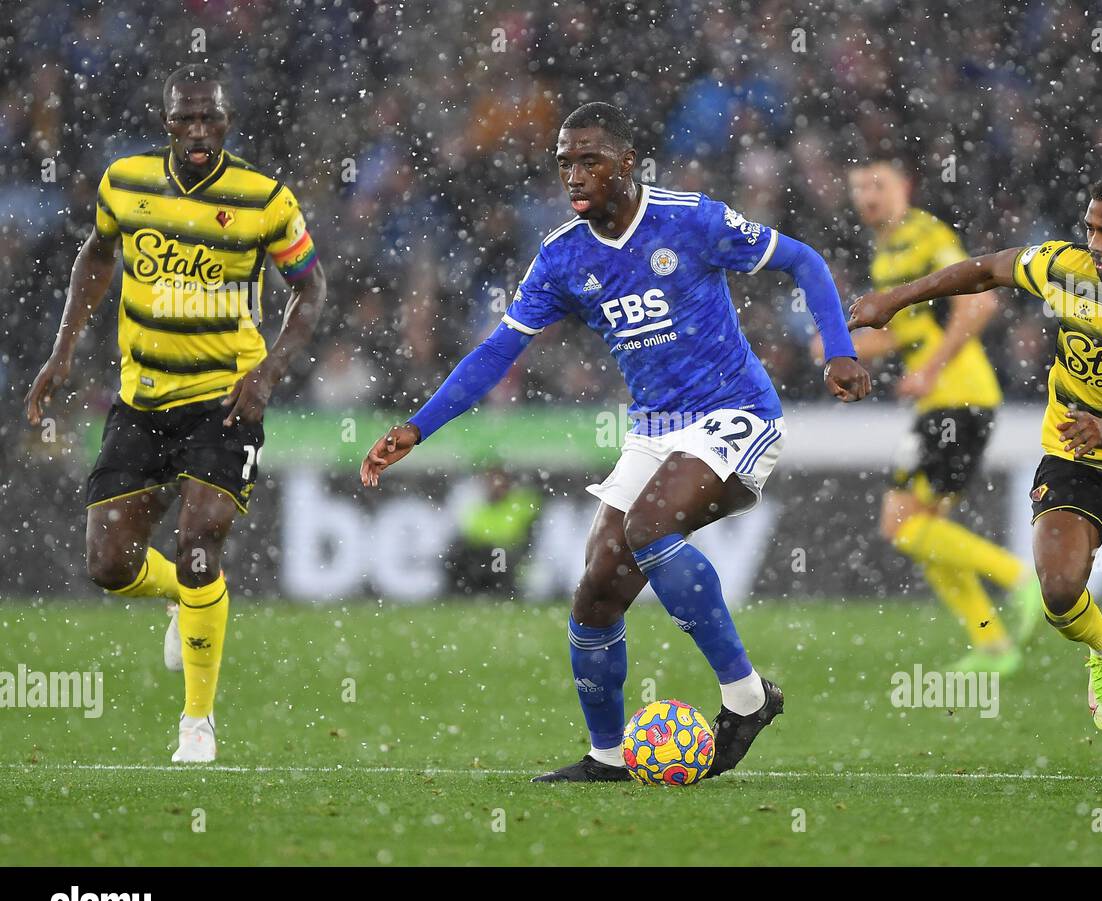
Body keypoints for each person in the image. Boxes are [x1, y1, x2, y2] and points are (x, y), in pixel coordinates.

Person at [361, 102, 870, 782]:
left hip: (736, 413)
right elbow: (496, 352)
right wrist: (417, 427)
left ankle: (747, 699)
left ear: (627, 165)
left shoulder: (690, 219)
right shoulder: (562, 257)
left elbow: (804, 261)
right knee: (597, 587)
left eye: (590, 160)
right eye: (565, 161)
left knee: (648, 528)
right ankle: (607, 756)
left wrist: (837, 350)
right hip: (653, 431)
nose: (575, 174)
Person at [849, 170, 1102, 781]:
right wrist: (896, 299)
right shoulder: (1064, 267)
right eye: (1089, 228)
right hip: (1076, 456)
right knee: (1056, 594)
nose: (1095, 242)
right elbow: (984, 271)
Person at [23, 63, 327, 763]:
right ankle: (184, 601)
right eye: (185, 118)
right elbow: (95, 254)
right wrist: (63, 350)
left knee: (200, 545)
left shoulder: (264, 199)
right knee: (107, 565)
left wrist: (268, 372)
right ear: (167, 123)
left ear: (228, 122)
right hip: (142, 399)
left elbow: (311, 291)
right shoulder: (125, 182)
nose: (198, 131)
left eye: (209, 118)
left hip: (225, 400)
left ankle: (197, 723)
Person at [815, 160, 1037, 673]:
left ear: (904, 189)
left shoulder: (925, 235)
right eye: (859, 189)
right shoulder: (887, 251)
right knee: (926, 532)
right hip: (950, 401)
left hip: (956, 398)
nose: (868, 196)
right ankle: (992, 645)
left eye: (879, 185)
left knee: (901, 525)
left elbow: (979, 306)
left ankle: (1020, 578)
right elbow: (905, 331)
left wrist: (932, 370)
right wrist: (843, 346)